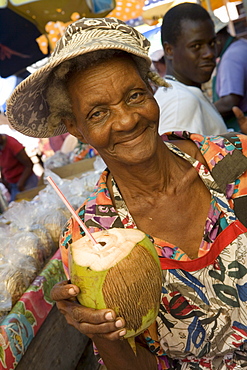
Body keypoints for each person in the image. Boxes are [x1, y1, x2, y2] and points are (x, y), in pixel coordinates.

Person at [7, 17, 247, 369]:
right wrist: (101, 333)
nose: (126, 120)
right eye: (98, 112)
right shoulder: (93, 236)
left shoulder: (232, 162)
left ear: (153, 90)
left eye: (134, 96)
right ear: (77, 128)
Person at [155, 3, 228, 136]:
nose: (209, 53)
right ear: (169, 50)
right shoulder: (181, 102)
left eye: (212, 43)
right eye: (196, 46)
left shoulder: (183, 94)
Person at [212, 15, 247, 132]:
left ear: (218, 38)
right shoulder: (240, 45)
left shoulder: (231, 57)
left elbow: (230, 101)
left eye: (209, 44)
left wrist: (204, 111)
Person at [0, 134, 38, 201]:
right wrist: (4, 180)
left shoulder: (12, 144)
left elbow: (29, 165)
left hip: (26, 181)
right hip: (12, 183)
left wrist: (20, 184)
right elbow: (2, 166)